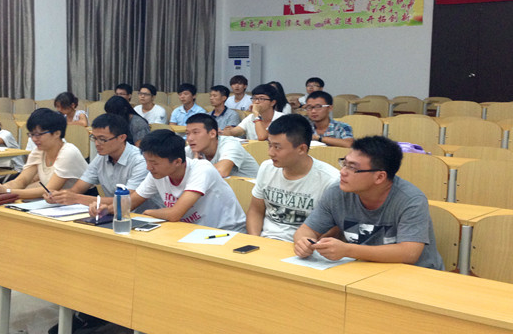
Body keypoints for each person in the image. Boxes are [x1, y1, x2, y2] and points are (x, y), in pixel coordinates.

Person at [293, 136, 444, 270]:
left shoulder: (411, 199)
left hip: (414, 274)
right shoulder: (336, 192)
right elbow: (306, 230)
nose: (342, 172)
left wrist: (347, 250)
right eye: (344, 163)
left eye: (352, 168)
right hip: (363, 269)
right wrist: (303, 242)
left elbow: (409, 253)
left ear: (379, 177)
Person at [90, 129, 246, 232]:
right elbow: (131, 202)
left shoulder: (201, 169)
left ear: (177, 162)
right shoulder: (157, 173)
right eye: (147, 161)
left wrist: (148, 213)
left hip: (225, 232)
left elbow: (174, 214)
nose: (149, 167)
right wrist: (106, 209)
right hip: (189, 231)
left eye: (154, 163)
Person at [247, 114, 339, 242]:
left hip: (303, 246)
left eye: (277, 147)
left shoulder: (330, 180)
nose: (270, 153)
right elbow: (256, 210)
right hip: (266, 241)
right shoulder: (266, 167)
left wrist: (309, 246)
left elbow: (335, 227)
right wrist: (255, 240)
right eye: (270, 145)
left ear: (301, 149)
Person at [48, 114, 161, 212]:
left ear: (122, 138)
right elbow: (77, 189)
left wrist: (77, 198)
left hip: (146, 217)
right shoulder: (101, 158)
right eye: (94, 138)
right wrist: (59, 196)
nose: (97, 143)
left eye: (102, 139)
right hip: (114, 214)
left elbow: (126, 200)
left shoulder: (140, 161)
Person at [0, 108, 88, 199]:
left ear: (57, 133)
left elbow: (49, 189)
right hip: (54, 201)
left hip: (81, 202)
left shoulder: (68, 152)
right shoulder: (39, 151)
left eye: (39, 135)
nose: (34, 139)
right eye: (31, 134)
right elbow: (21, 181)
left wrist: (6, 191)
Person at [185, 114, 259, 178]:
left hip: (248, 188)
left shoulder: (230, 144)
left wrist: (195, 164)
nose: (190, 138)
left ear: (212, 134)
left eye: (196, 132)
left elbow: (221, 171)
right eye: (187, 133)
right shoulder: (192, 149)